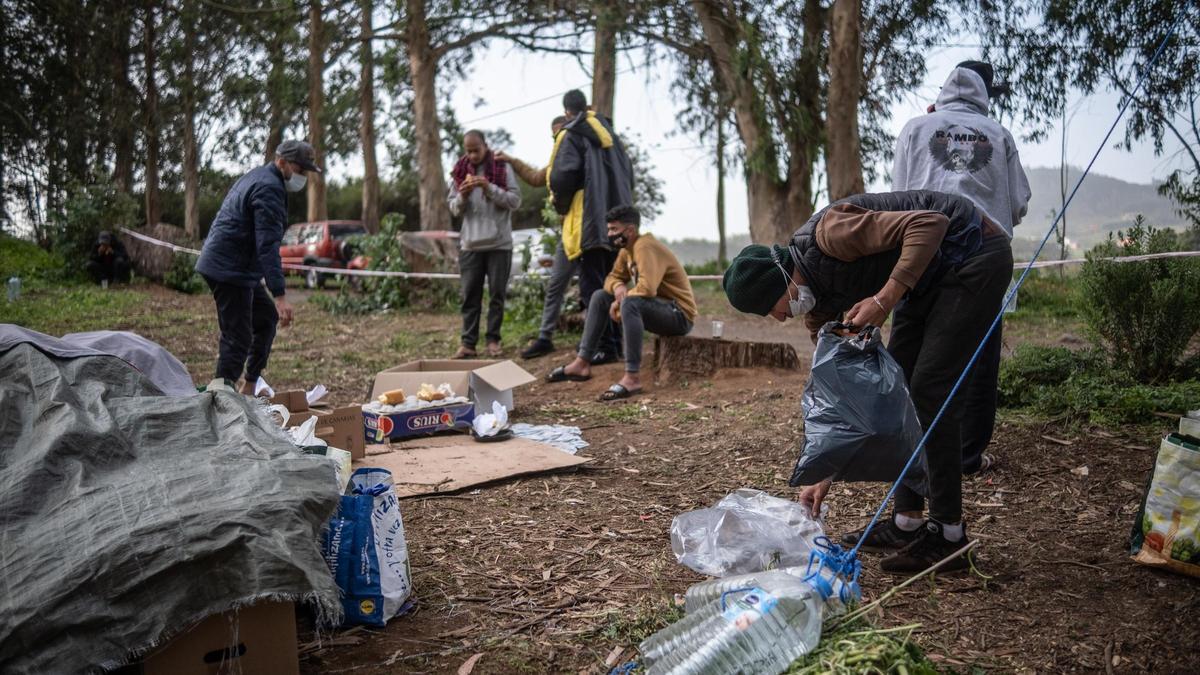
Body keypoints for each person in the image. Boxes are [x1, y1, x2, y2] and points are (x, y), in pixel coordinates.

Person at [721, 190, 1013, 574]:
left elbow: (931, 224)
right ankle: (907, 522)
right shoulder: (819, 309)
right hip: (928, 275)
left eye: (771, 308)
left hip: (972, 251)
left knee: (928, 392)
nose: (778, 319)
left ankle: (949, 535)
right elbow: (844, 393)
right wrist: (825, 472)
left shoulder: (831, 235)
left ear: (781, 284)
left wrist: (884, 299)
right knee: (899, 392)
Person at [892, 61, 1031, 475]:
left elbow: (899, 194)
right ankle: (968, 455)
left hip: (921, 254)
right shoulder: (998, 134)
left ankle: (903, 449)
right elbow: (1019, 202)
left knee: (911, 355)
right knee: (979, 358)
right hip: (982, 259)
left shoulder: (915, 129)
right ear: (984, 96)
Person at [195, 139, 317, 394]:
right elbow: (267, 246)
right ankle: (219, 399)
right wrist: (281, 296)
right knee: (237, 337)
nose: (302, 177)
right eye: (300, 170)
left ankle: (249, 386)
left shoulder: (258, 177)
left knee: (264, 318)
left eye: (306, 172)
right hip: (229, 269)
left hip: (235, 267)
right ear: (281, 162)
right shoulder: (269, 188)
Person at [545, 205, 695, 401]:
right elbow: (611, 278)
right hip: (660, 308)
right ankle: (582, 363)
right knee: (600, 296)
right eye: (608, 229)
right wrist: (617, 286)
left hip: (679, 315)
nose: (609, 234)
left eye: (614, 229)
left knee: (630, 304)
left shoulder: (644, 246)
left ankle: (632, 377)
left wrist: (619, 303)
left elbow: (647, 288)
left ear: (630, 230)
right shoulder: (627, 250)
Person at [547, 89, 634, 365]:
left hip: (589, 223)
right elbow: (629, 175)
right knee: (615, 281)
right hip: (616, 221)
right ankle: (617, 344)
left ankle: (604, 347)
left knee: (593, 289)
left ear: (568, 112)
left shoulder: (572, 135)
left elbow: (561, 178)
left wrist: (559, 204)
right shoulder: (613, 139)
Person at [495, 117, 581, 360]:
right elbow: (535, 177)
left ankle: (599, 341)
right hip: (568, 233)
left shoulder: (585, 161)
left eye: (562, 135)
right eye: (555, 137)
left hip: (591, 233)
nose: (559, 141)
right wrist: (511, 160)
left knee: (593, 287)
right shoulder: (558, 164)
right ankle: (545, 338)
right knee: (556, 283)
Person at [447, 129, 521, 359]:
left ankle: (493, 340)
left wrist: (489, 188)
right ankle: (468, 343)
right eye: (468, 151)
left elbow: (515, 201)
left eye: (476, 150)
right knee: (470, 295)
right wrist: (463, 195)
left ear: (485, 146)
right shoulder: (459, 172)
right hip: (470, 244)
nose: (472, 155)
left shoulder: (502, 168)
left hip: (499, 244)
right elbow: (453, 208)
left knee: (497, 295)